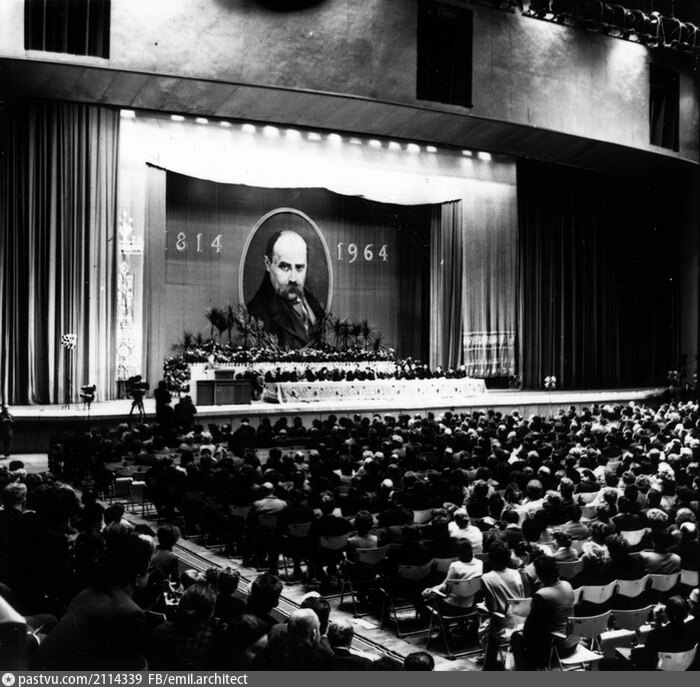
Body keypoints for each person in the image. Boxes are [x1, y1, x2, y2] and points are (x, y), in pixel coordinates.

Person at [30, 531, 154, 670]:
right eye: (149, 570)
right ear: (138, 578)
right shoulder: (130, 613)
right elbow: (131, 668)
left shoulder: (88, 592)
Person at [246, 230, 325, 349]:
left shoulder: (313, 304)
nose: (293, 278)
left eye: (299, 267)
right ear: (268, 264)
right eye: (284, 267)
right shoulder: (256, 314)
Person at [510, 555, 576, 670]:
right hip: (573, 642)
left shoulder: (542, 594)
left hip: (555, 648)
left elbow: (529, 628)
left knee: (516, 637)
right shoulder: (568, 585)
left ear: (539, 574)